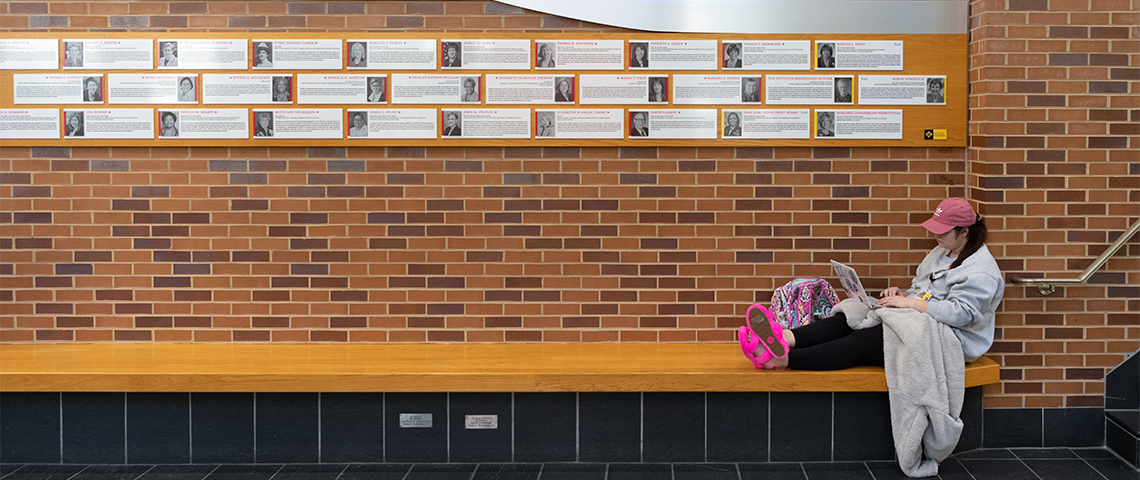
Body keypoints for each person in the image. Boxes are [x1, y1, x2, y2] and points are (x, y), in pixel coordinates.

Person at [739, 197, 1003, 371]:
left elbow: (963, 314)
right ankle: (784, 338)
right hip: (920, 321)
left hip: (948, 341)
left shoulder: (981, 271)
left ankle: (784, 359)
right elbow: (923, 291)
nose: (935, 235)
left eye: (942, 230)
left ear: (965, 231)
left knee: (864, 340)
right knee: (851, 314)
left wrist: (909, 303)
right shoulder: (941, 251)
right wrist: (903, 294)